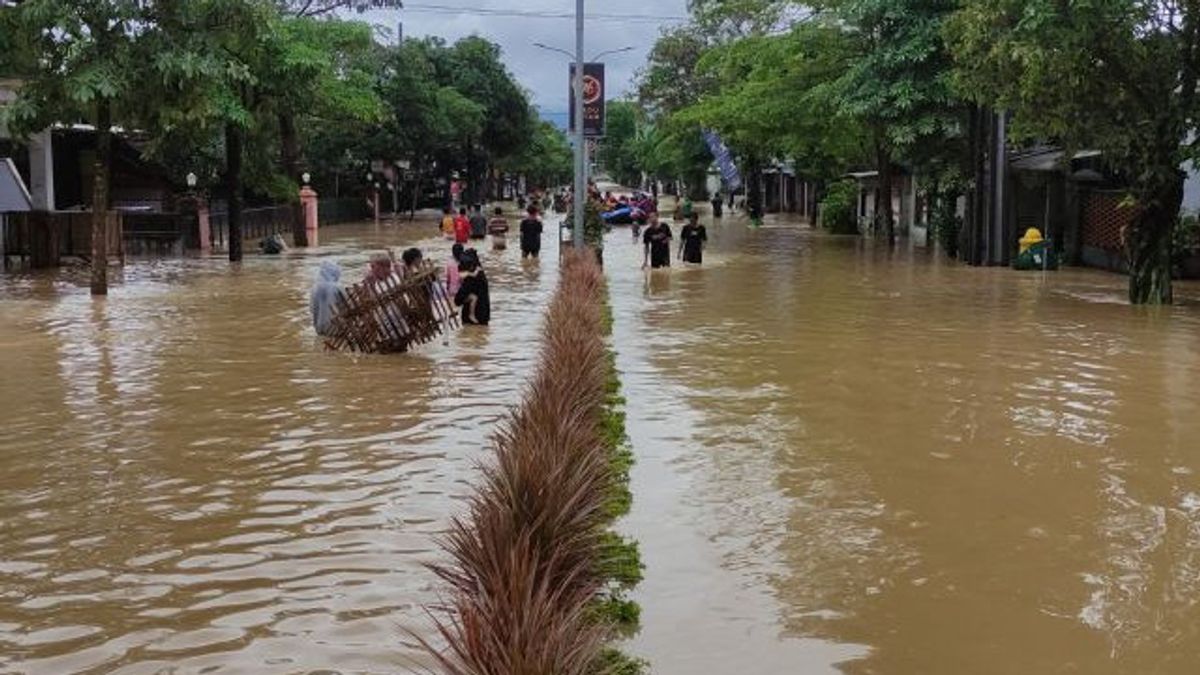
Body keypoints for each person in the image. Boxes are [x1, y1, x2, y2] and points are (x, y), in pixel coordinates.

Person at [454, 248, 490, 325]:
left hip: (471, 322)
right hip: (483, 318)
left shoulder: (470, 279)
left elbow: (458, 299)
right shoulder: (481, 275)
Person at [310, 260, 343, 336]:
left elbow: (312, 309)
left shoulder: (314, 288)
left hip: (318, 328)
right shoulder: (338, 287)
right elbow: (347, 305)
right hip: (336, 328)